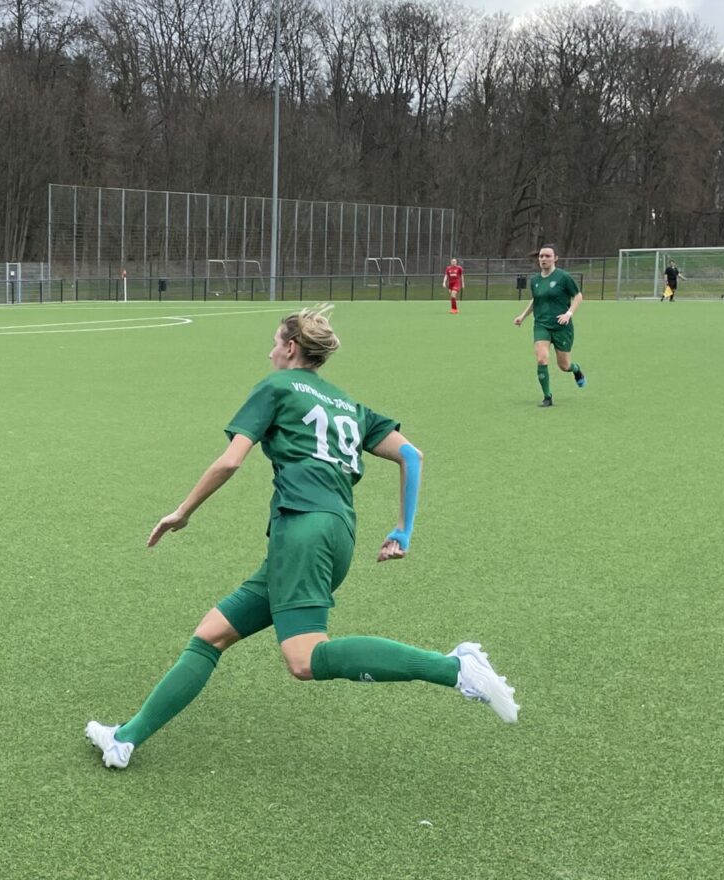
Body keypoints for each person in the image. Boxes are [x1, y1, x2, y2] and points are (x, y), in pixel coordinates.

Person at [82, 305, 519, 770]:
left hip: (302, 532)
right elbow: (411, 455)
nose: (270, 352)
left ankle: (455, 668)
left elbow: (231, 461)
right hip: (337, 535)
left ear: (291, 348)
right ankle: (125, 739)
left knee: (304, 660)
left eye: (275, 342)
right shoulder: (347, 404)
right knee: (211, 635)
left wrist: (182, 512)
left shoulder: (276, 386)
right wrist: (402, 529)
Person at [512, 245, 587, 407]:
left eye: (547, 256)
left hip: (562, 327)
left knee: (564, 365)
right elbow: (536, 301)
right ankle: (547, 397)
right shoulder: (535, 281)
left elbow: (578, 296)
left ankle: (576, 370)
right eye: (541, 256)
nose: (543, 259)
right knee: (541, 358)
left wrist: (568, 314)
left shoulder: (563, 277)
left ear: (555, 258)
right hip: (541, 325)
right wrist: (523, 316)